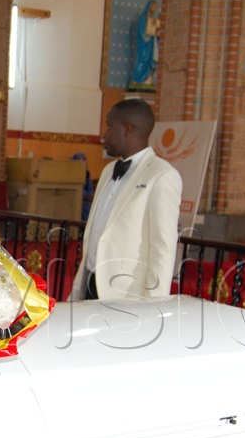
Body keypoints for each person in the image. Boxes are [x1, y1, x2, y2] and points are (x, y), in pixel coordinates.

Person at [69, 98, 182, 301]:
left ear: (127, 129)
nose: (104, 134)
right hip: (90, 282)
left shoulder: (162, 176)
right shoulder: (108, 171)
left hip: (125, 293)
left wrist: (153, 304)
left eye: (109, 127)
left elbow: (163, 247)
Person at [128, 0, 159, 90]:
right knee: (143, 60)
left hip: (152, 44)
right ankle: (136, 80)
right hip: (145, 43)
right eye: (153, 7)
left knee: (151, 61)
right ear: (149, 7)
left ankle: (147, 80)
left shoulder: (154, 19)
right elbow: (142, 32)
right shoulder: (143, 18)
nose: (154, 9)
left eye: (155, 7)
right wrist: (151, 33)